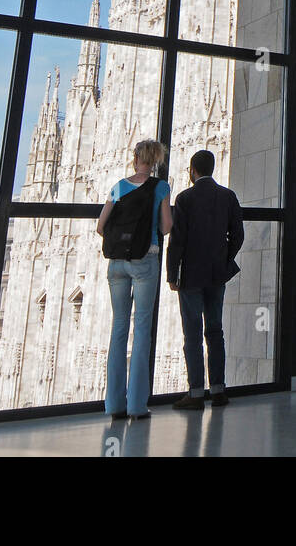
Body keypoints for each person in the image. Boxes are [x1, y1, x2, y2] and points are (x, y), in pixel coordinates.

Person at [97, 139, 172, 420]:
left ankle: (113, 405)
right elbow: (166, 227)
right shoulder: (160, 187)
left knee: (118, 330)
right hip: (144, 261)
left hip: (116, 265)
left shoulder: (118, 186)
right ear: (156, 161)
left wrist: (121, 244)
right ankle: (137, 405)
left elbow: (100, 226)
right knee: (141, 330)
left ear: (135, 157)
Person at [168, 149, 245, 410]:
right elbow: (238, 235)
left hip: (190, 276)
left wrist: (172, 274)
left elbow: (176, 241)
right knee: (215, 331)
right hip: (216, 275)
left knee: (192, 334)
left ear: (193, 170)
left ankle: (196, 394)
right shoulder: (228, 196)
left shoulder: (185, 198)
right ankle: (219, 390)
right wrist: (226, 259)